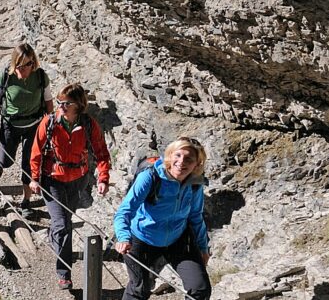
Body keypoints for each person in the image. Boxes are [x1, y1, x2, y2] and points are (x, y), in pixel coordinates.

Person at [28, 83, 111, 290]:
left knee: (64, 221)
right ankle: (64, 273)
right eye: (59, 102)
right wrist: (34, 178)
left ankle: (54, 234)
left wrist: (103, 178)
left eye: (67, 103)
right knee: (64, 225)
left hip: (77, 180)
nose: (62, 106)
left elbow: (101, 152)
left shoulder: (89, 124)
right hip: (52, 179)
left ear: (79, 104)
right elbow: (36, 152)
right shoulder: (49, 123)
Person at [112, 137, 212, 300]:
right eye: (178, 155)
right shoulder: (150, 177)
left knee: (199, 288)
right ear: (169, 156)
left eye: (189, 159)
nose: (181, 162)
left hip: (177, 239)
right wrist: (123, 237)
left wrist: (203, 248)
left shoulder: (195, 184)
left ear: (197, 164)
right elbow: (125, 211)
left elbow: (196, 217)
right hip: (142, 238)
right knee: (140, 289)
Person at [0, 43, 51, 207]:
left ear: (33, 62)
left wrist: (49, 124)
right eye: (20, 65)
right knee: (7, 160)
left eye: (28, 64)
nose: (24, 69)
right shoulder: (6, 76)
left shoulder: (41, 77)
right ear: (15, 63)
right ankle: (0, 163)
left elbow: (48, 101)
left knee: (29, 164)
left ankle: (26, 201)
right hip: (10, 125)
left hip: (33, 125)